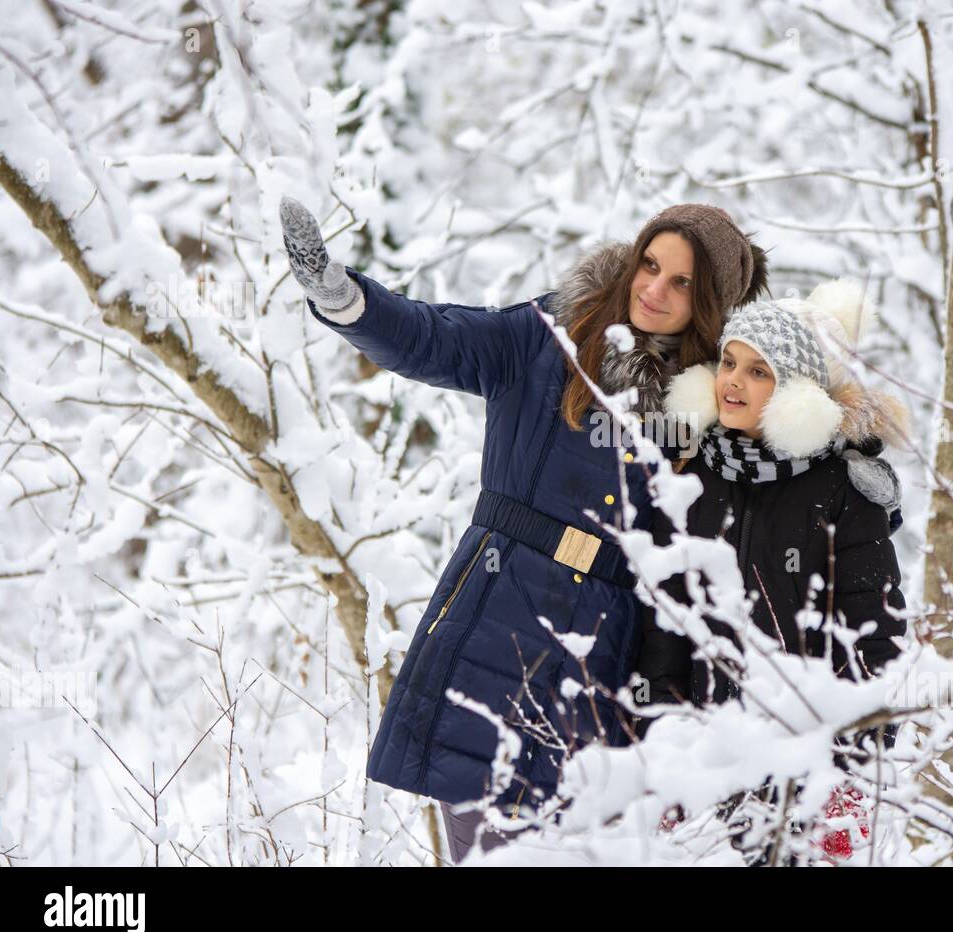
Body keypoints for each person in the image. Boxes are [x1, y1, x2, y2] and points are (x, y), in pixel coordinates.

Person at [278, 196, 769, 862]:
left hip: (606, 664)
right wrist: (345, 300)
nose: (655, 288)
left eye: (682, 282)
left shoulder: (712, 404)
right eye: (650, 264)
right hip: (495, 623)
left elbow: (767, 526)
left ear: (709, 302)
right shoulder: (551, 334)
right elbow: (434, 335)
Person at [634, 281, 911, 862]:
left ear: (795, 394)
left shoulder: (841, 487)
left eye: (759, 372)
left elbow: (873, 632)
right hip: (710, 753)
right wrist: (664, 729)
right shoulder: (696, 476)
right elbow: (666, 619)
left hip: (810, 759)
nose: (732, 380)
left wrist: (851, 760)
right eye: (730, 362)